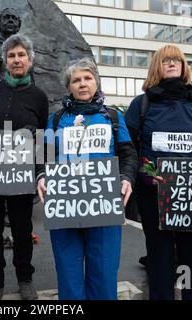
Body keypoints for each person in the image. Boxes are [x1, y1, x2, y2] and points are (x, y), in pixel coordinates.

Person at [36, 57, 138, 299]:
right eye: (76, 80)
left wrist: (126, 178)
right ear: (69, 86)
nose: (82, 84)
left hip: (104, 204)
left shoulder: (113, 116)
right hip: (65, 205)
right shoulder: (56, 119)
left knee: (103, 273)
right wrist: (42, 175)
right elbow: (43, 155)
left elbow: (128, 153)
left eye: (87, 78)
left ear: (96, 82)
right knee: (68, 272)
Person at [124, 44, 192, 300]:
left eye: (177, 60)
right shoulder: (141, 104)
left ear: (184, 66)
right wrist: (147, 173)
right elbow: (129, 150)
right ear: (157, 67)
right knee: (160, 257)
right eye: (166, 61)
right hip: (154, 195)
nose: (172, 64)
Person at [0, 34, 49, 300]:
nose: (17, 60)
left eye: (21, 55)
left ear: (30, 60)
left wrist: (40, 170)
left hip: (21, 176)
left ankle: (25, 278)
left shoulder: (39, 96)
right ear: (6, 60)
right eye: (12, 55)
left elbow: (43, 139)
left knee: (22, 230)